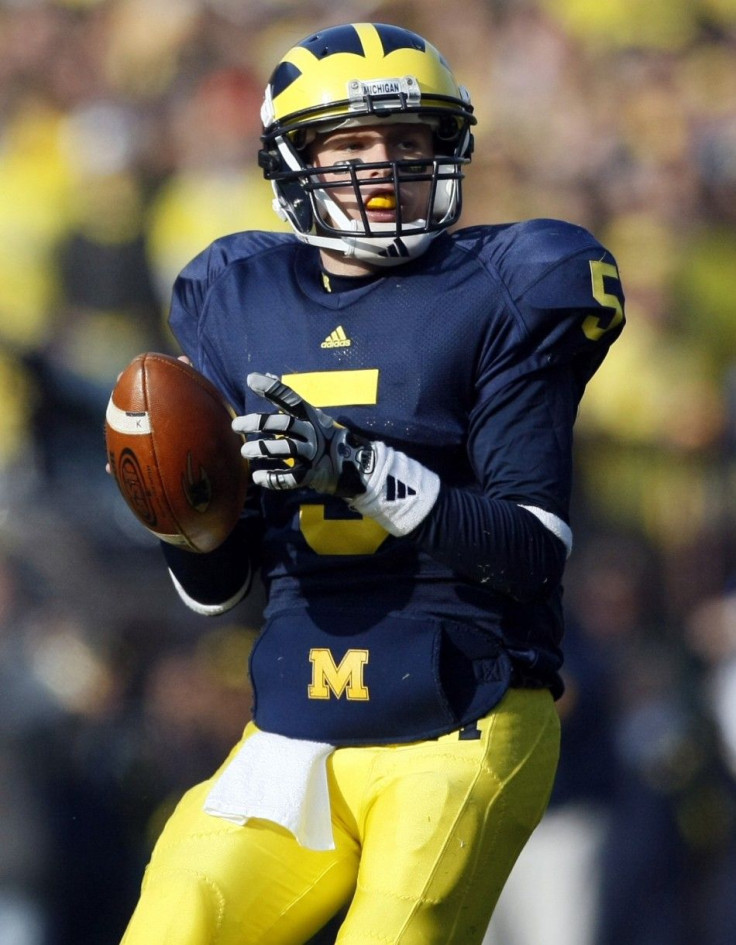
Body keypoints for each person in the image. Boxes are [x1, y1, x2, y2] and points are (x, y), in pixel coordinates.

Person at [119, 21, 624, 945]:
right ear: (290, 162)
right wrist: (177, 518)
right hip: (293, 727)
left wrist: (356, 467)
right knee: (173, 922)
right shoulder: (234, 294)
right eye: (350, 144)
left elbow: (532, 553)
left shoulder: (511, 284)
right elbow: (219, 589)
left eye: (407, 141)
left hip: (460, 716)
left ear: (448, 150)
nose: (381, 166)